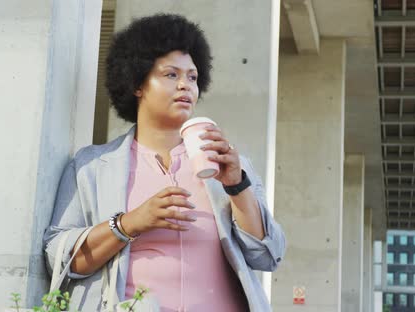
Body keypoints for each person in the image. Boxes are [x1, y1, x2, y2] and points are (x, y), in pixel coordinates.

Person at [43, 14, 285, 312]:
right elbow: (60, 260)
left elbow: (267, 255)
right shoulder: (90, 167)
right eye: (171, 75)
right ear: (137, 84)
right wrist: (130, 223)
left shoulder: (229, 165)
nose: (185, 85)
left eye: (192, 77)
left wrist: (238, 186)